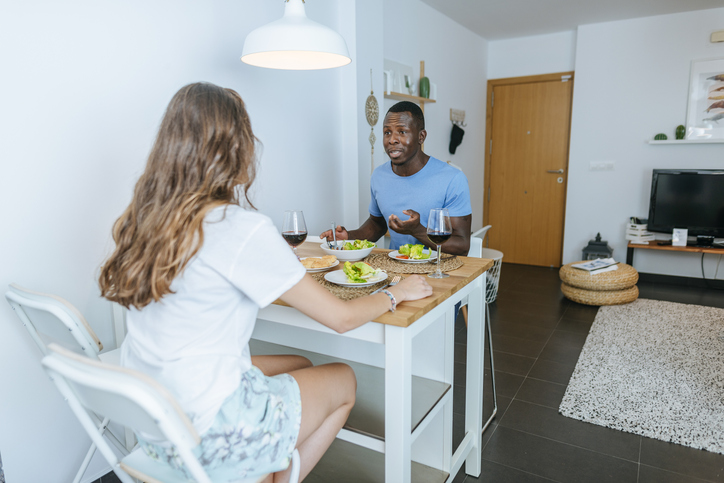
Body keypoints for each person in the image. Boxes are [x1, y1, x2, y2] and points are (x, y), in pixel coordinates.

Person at [98, 83, 432, 483]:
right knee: (343, 378)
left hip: (158, 418)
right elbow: (341, 319)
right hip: (213, 430)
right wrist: (398, 292)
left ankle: (263, 469)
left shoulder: (144, 219)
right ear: (235, 149)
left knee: (301, 365)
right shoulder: (237, 226)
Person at [320, 101, 472, 256]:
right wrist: (349, 237)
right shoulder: (379, 175)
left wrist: (417, 230)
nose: (392, 140)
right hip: (397, 269)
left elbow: (462, 246)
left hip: (440, 272)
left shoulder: (452, 179)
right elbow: (377, 224)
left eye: (402, 132)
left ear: (421, 137)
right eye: (387, 132)